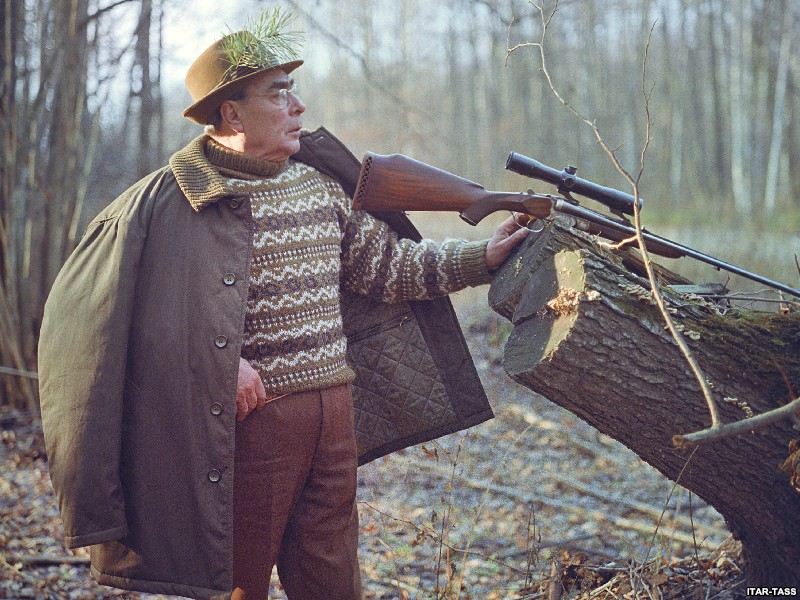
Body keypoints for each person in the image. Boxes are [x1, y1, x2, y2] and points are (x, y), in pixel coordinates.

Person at [38, 9, 528, 600]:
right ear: (231, 113)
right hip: (248, 428)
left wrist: (483, 258)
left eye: (294, 93)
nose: (297, 108)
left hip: (335, 416)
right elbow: (109, 329)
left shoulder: (317, 186)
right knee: (239, 585)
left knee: (333, 583)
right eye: (279, 95)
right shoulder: (173, 205)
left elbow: (389, 269)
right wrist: (220, 369)